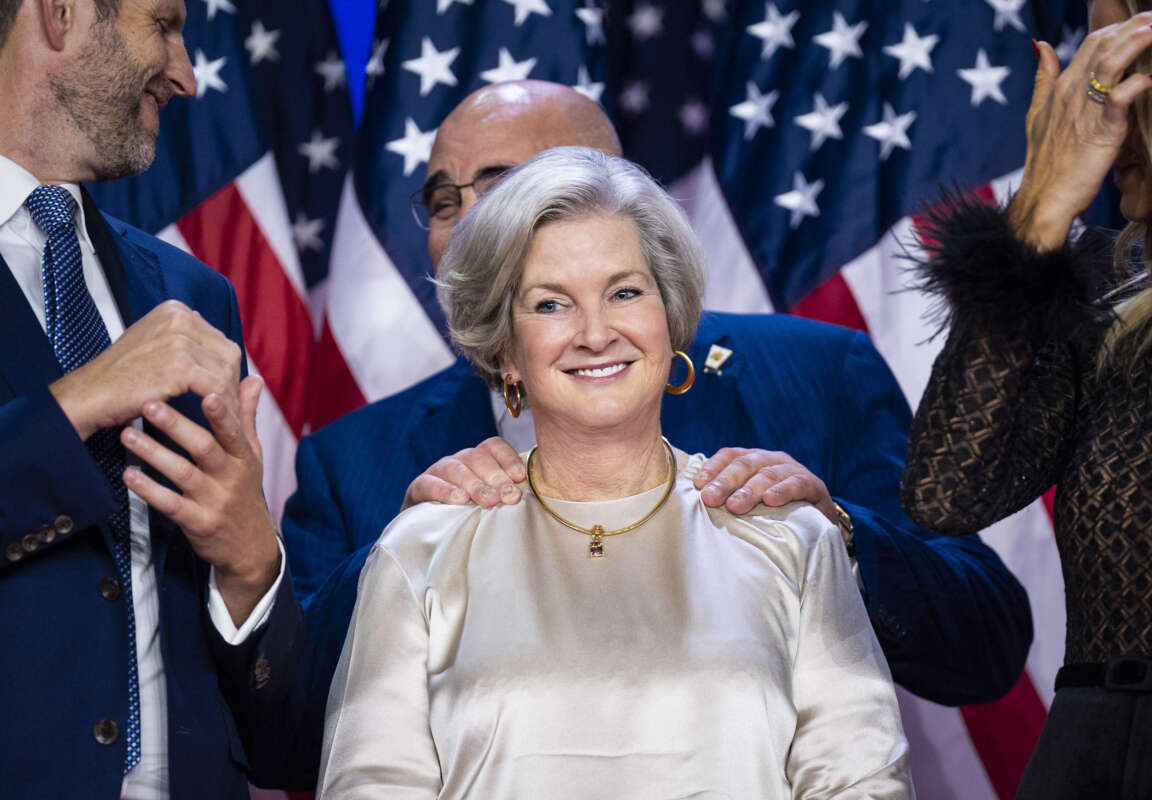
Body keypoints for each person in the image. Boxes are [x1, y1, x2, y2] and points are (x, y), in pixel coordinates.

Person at [283, 79, 1032, 709]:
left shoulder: (818, 377)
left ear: (620, 201)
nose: (467, 226)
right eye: (444, 202)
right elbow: (285, 741)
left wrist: (842, 537)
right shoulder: (352, 462)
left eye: (510, 189)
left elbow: (987, 646)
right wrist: (394, 564)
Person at [317, 146, 913, 798]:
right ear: (505, 353)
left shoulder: (790, 537)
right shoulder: (422, 549)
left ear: (670, 318)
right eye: (551, 305)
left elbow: (864, 784)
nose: (595, 332)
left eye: (625, 292)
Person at [0, 1, 298, 797]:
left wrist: (250, 563)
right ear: (61, 15)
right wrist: (82, 400)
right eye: (163, 25)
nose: (188, 75)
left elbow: (274, 712)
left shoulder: (194, 294)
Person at [902, 3, 1152, 797]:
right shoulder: (1109, 282)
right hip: (1089, 756)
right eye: (1084, 66)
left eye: (1122, 64)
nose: (1091, 106)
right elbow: (943, 495)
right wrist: (1038, 209)